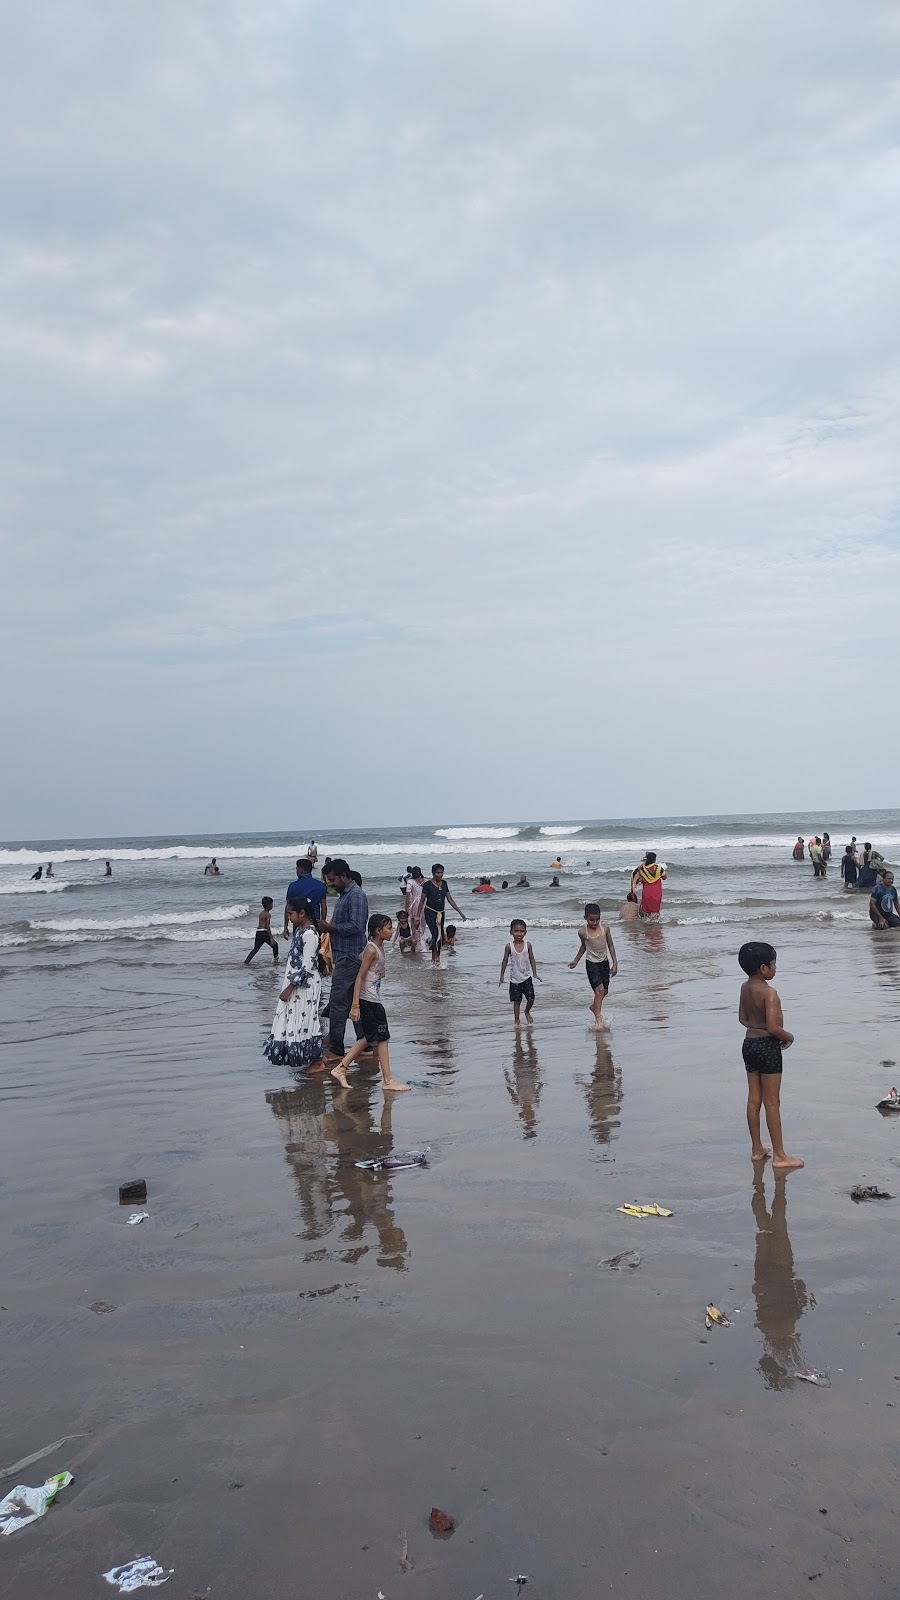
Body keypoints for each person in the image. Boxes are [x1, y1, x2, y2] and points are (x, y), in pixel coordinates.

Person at [738, 941, 802, 1170]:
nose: (775, 968)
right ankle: (779, 1155)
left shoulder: (745, 988)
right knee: (772, 1102)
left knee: (754, 1099)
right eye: (774, 964)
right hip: (767, 1047)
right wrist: (789, 1037)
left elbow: (742, 1019)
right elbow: (775, 1028)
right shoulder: (770, 993)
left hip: (749, 1044)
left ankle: (757, 1149)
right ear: (764, 968)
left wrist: (756, 1026)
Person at [330, 915, 408, 1091]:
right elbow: (360, 976)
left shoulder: (376, 947)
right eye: (389, 928)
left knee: (373, 1037)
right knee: (380, 1036)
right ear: (378, 931)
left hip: (373, 998)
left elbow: (360, 959)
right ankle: (386, 1079)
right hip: (368, 1000)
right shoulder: (372, 949)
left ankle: (343, 1069)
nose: (392, 930)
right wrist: (355, 1005)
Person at [263, 896, 324, 1071]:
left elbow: (307, 965)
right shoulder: (300, 931)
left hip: (304, 985)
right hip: (297, 983)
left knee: (306, 1020)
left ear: (302, 913)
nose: (288, 917)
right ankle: (315, 1058)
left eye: (290, 913)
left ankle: (317, 1060)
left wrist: (290, 988)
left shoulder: (309, 934)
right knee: (300, 1019)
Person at [319, 860, 369, 1058]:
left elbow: (357, 926)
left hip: (351, 956)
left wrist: (331, 928)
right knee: (351, 1000)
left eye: (333, 880)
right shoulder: (344, 896)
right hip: (344, 955)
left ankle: (337, 1048)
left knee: (338, 1001)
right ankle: (365, 1042)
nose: (331, 884)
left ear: (344, 876)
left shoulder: (355, 895)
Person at [569, 902, 618, 1028]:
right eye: (591, 920)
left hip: (604, 962)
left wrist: (615, 963)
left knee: (605, 991)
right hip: (591, 964)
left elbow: (611, 945)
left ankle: (594, 1007)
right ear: (585, 918)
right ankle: (598, 1020)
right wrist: (576, 960)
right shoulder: (582, 932)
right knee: (599, 991)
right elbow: (584, 946)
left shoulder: (605, 929)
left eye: (597, 919)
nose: (595, 923)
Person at [499, 918, 540, 1026]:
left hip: (526, 977)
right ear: (511, 932)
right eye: (516, 931)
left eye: (522, 931)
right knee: (516, 1001)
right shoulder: (509, 946)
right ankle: (517, 1019)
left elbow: (532, 958)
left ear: (525, 932)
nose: (519, 934)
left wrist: (534, 973)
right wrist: (502, 975)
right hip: (515, 980)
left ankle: (526, 1011)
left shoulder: (528, 945)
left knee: (531, 998)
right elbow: (504, 961)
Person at [423, 864, 466, 964]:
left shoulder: (444, 884)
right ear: (433, 873)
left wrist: (460, 912)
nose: (440, 875)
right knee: (436, 936)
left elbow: (449, 899)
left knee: (441, 937)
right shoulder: (427, 885)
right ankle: (435, 960)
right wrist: (417, 916)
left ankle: (436, 957)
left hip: (440, 914)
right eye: (438, 872)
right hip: (430, 912)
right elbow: (422, 900)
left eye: (442, 872)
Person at [283, 858, 327, 940]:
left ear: (301, 870)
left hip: (298, 922)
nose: (296, 871)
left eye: (297, 869)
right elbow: (324, 908)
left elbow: (288, 908)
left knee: (298, 948)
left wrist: (285, 927)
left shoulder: (293, 886)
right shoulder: (320, 885)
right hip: (315, 922)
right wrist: (323, 922)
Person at [245, 897, 280, 964]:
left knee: (255, 949)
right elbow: (267, 926)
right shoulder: (268, 914)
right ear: (268, 905)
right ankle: (276, 960)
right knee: (275, 945)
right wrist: (271, 938)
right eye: (272, 904)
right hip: (264, 932)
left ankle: (246, 962)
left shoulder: (261, 913)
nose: (272, 905)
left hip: (258, 932)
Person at [631, 852, 666, 916]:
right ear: (654, 860)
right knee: (656, 908)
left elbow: (635, 877)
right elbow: (664, 877)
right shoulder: (659, 868)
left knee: (646, 909)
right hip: (656, 892)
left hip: (647, 891)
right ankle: (656, 922)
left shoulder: (641, 868)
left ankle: (646, 922)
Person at [405, 867, 430, 954]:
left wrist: (407, 908)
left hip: (415, 905)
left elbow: (408, 896)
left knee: (415, 926)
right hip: (425, 904)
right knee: (421, 925)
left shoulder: (410, 882)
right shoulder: (426, 881)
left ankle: (418, 944)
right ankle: (419, 944)